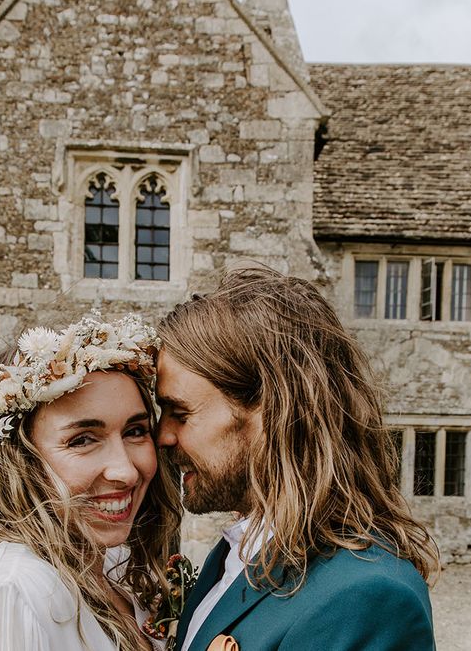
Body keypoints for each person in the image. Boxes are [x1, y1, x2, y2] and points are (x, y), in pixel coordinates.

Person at [155, 267, 439, 651]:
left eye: (181, 413)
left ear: (270, 411)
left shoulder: (366, 597)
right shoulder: (233, 554)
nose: (163, 436)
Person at [0, 312, 181, 651]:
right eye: (82, 440)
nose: (125, 471)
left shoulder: (115, 566)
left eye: (135, 431)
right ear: (24, 459)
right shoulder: (17, 594)